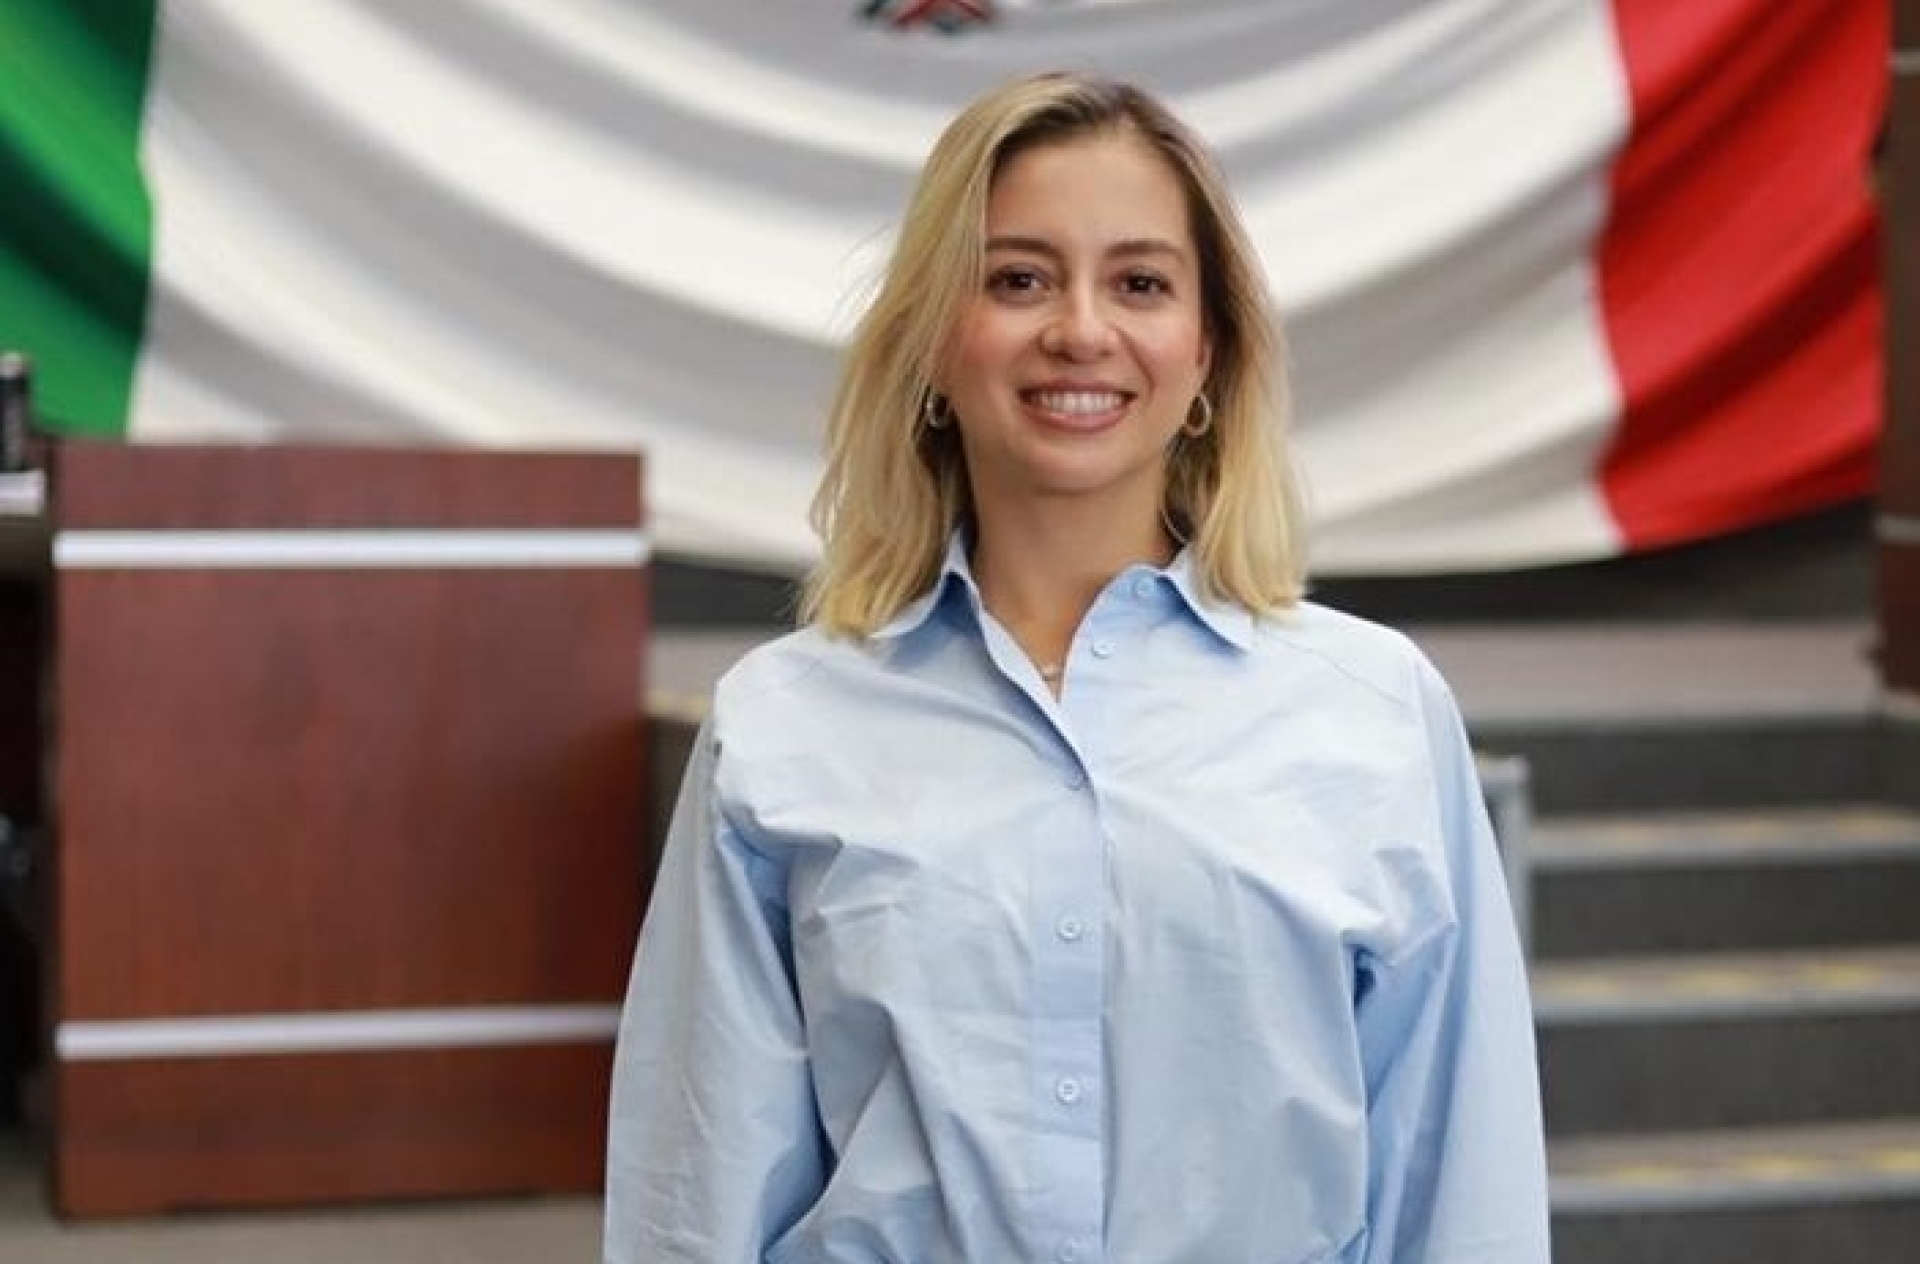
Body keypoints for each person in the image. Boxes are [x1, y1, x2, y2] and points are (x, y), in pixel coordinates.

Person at [604, 70, 1550, 1264]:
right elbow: (693, 1198)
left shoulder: (1377, 711)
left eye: (1141, 283)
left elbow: (1460, 1191)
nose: (1082, 331)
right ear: (935, 342)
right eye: (1019, 279)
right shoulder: (782, 724)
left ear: (1207, 353)